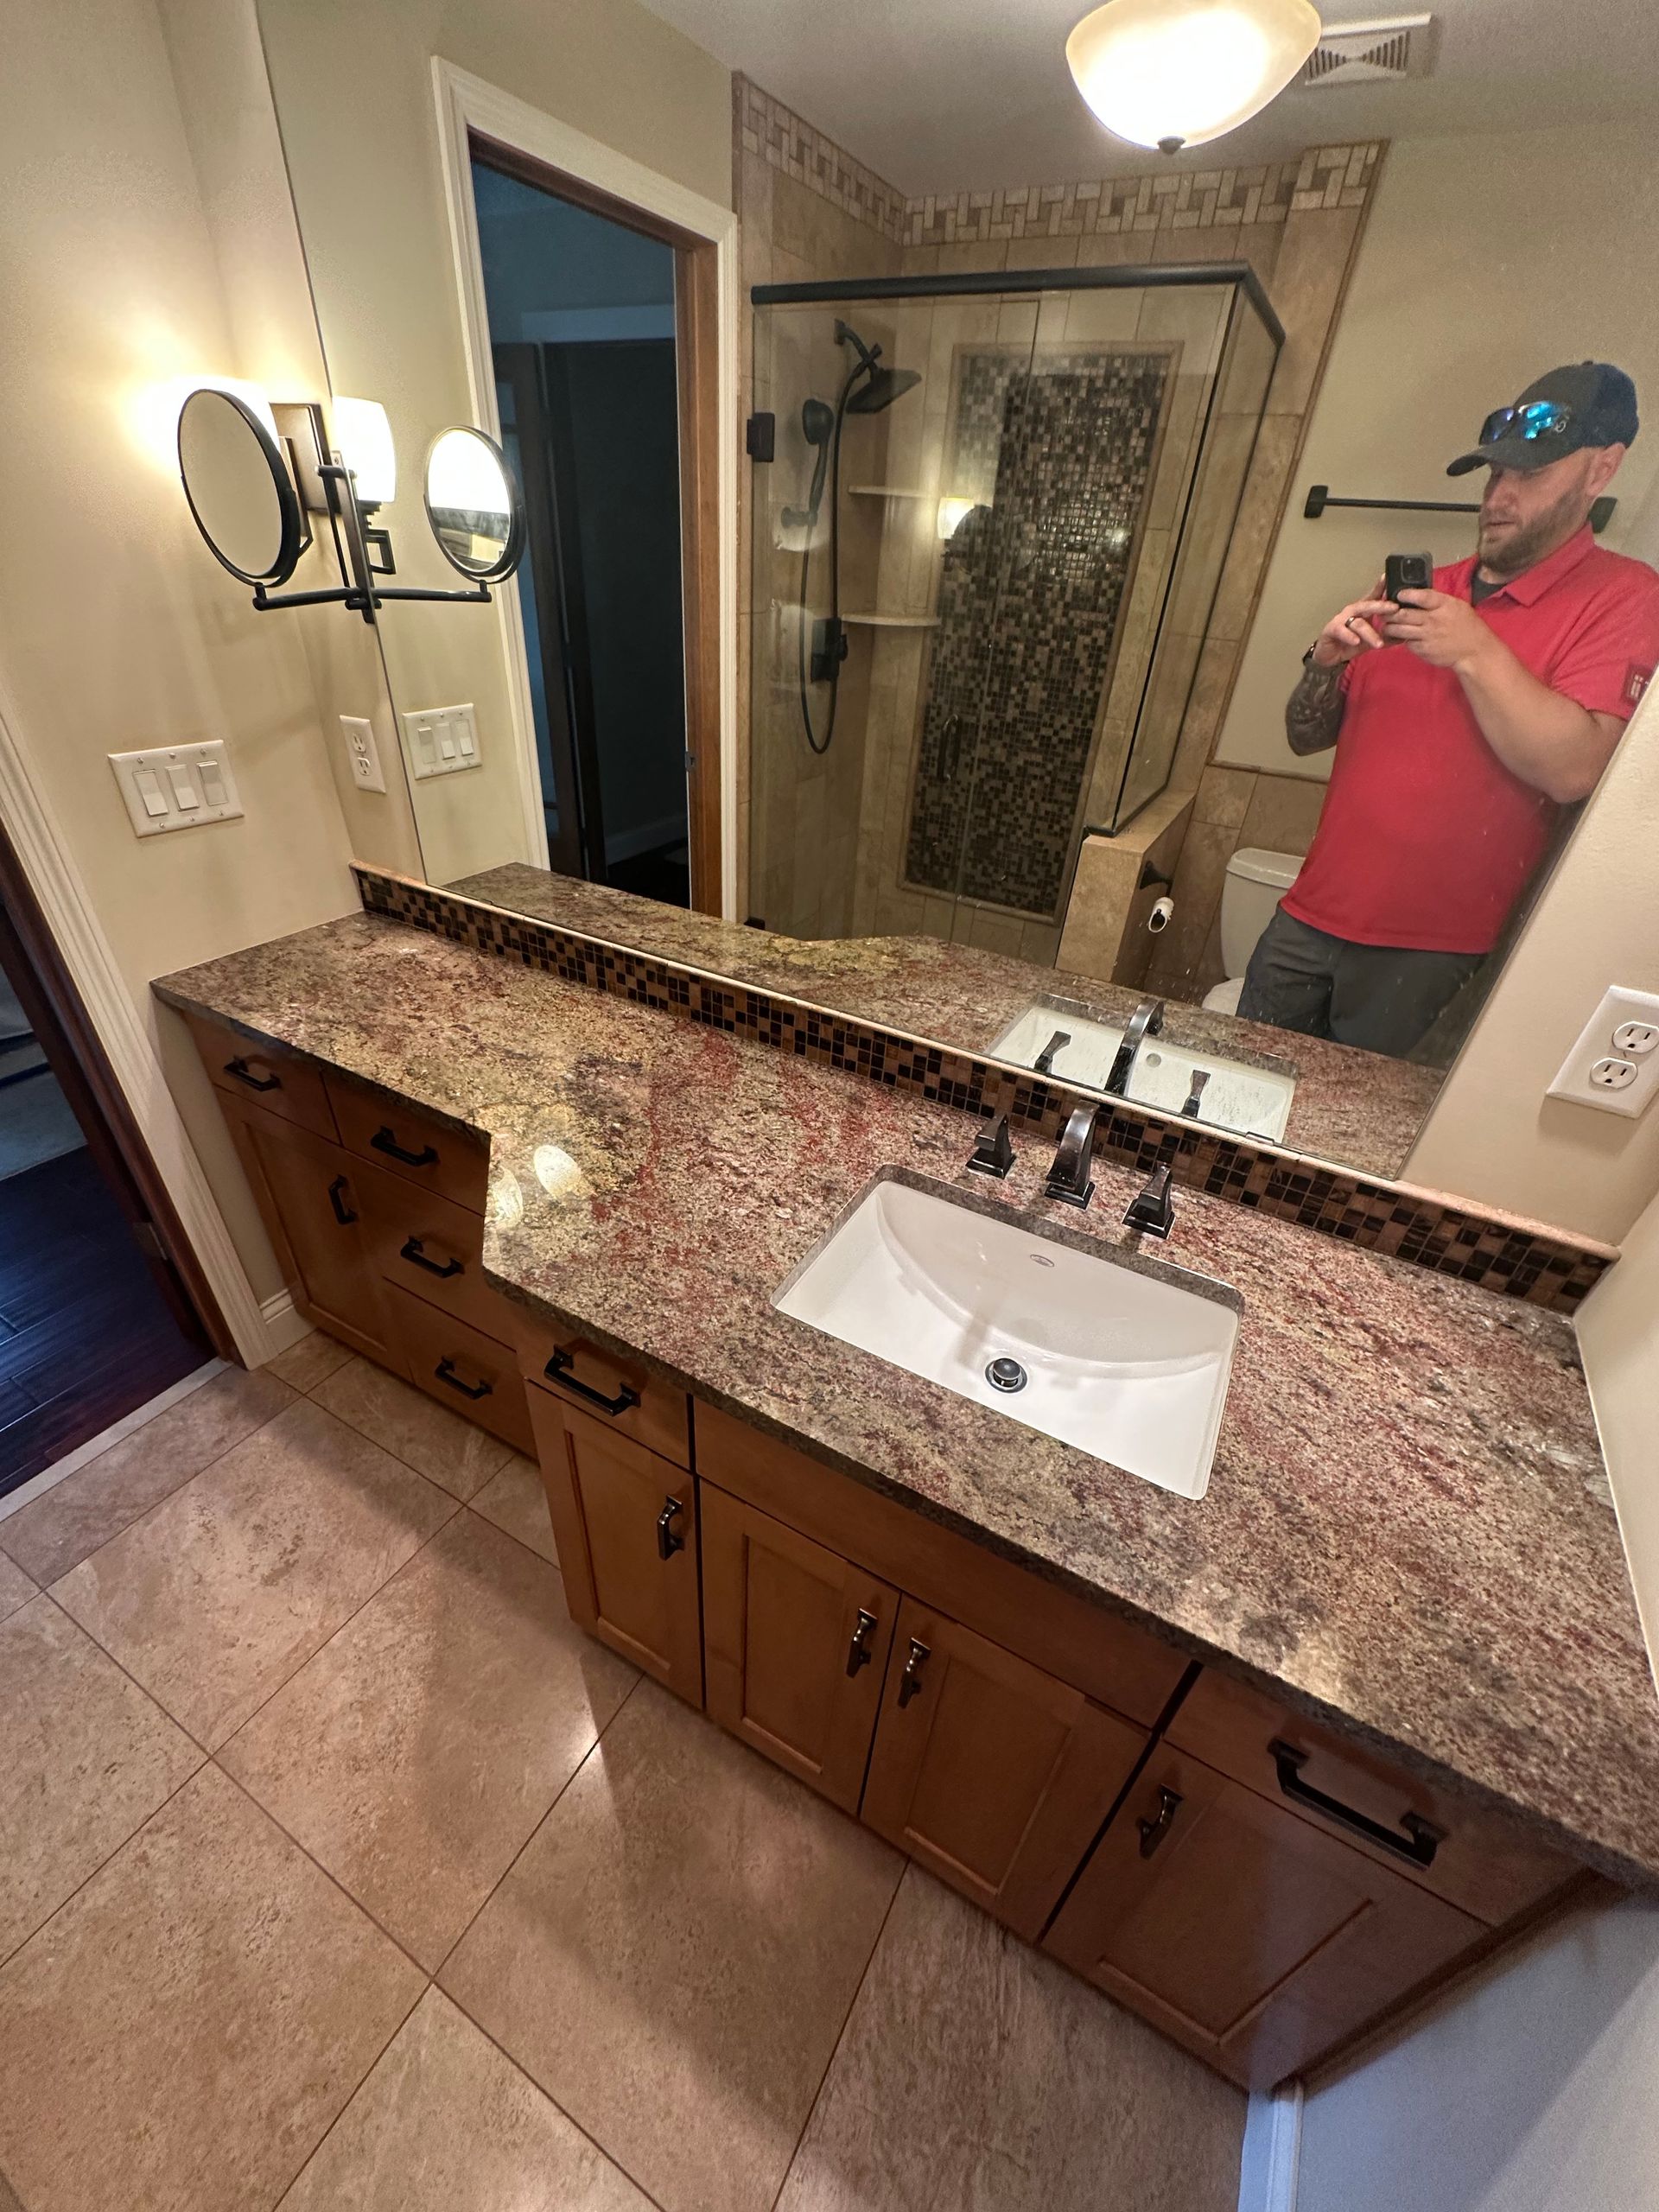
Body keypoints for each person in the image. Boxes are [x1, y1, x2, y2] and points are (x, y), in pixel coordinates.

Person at [1239, 361, 1659, 1056]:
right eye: (1495, 474)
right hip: (1306, 921)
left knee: (1355, 1143)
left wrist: (1474, 649)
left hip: (1427, 956)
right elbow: (1303, 736)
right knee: (1231, 1097)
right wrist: (1325, 662)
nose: (1499, 495)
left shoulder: (1624, 597)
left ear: (1600, 471)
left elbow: (1577, 769)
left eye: (1530, 474)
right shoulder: (1426, 591)